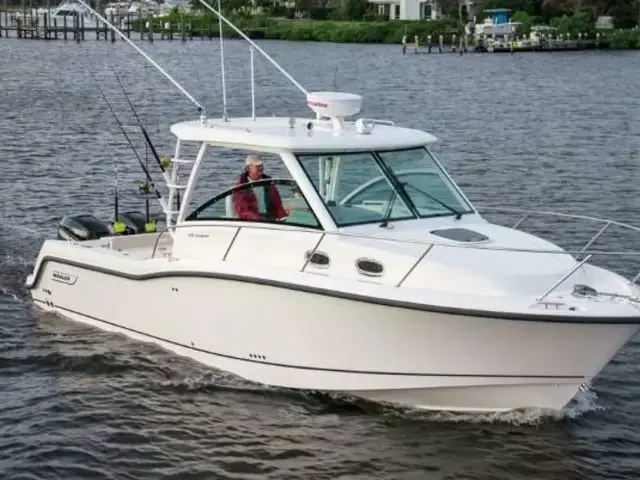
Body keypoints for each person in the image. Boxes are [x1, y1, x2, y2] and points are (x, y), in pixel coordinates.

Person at [232, 154, 289, 221]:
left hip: (270, 218)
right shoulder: (241, 186)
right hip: (252, 221)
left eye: (261, 165)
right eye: (257, 166)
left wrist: (283, 218)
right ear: (248, 168)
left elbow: (277, 204)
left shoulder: (269, 183)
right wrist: (259, 219)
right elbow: (243, 210)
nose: (261, 168)